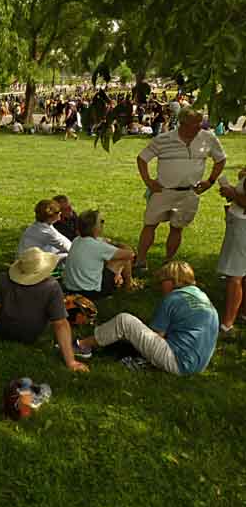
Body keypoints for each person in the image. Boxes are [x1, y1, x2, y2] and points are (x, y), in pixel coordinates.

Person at [0, 247, 89, 372]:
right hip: (30, 335)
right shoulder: (51, 287)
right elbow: (60, 324)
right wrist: (71, 361)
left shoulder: (3, 279)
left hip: (1, 330)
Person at [75, 261, 218, 374]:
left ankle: (82, 346)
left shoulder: (173, 298)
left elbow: (157, 335)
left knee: (124, 321)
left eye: (162, 281)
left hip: (178, 362)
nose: (161, 287)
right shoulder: (203, 298)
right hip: (197, 365)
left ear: (172, 281)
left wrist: (130, 336)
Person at [135, 106, 227, 272]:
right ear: (183, 123)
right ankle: (140, 261)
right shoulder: (164, 139)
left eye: (201, 123)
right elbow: (142, 158)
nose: (200, 127)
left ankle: (168, 262)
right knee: (150, 224)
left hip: (189, 193)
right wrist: (148, 181)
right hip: (162, 191)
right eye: (195, 124)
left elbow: (220, 160)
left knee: (177, 227)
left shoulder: (208, 138)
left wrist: (210, 181)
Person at [62, 210, 134, 299]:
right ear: (95, 228)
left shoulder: (76, 240)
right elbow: (130, 254)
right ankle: (128, 286)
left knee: (112, 256)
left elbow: (103, 241)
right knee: (122, 257)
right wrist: (121, 245)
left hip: (71, 289)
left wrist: (111, 243)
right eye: (101, 222)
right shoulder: (98, 247)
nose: (103, 224)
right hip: (91, 293)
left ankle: (121, 281)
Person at [217, 169, 246, 337]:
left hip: (242, 226)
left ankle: (227, 324)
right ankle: (243, 313)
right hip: (239, 221)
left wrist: (232, 193)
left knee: (235, 276)